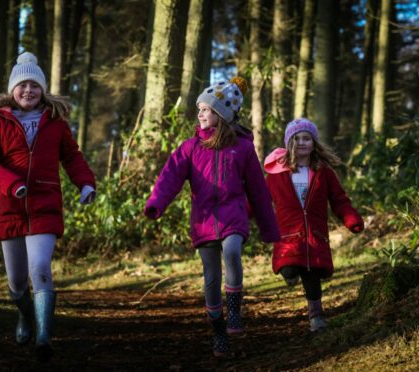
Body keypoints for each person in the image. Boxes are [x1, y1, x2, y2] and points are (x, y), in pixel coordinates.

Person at [144, 77, 280, 357]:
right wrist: (156, 203)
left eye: (206, 109)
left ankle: (234, 315)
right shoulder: (190, 148)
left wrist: (269, 229)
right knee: (210, 277)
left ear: (221, 114)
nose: (200, 114)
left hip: (233, 216)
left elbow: (258, 190)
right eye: (200, 109)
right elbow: (169, 177)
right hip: (203, 220)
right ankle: (218, 333)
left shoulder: (242, 148)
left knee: (231, 251)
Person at [0, 52, 96, 361]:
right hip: (10, 208)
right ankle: (24, 316)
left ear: (43, 90)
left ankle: (44, 337)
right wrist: (11, 184)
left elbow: (72, 157)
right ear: (12, 90)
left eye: (34, 85)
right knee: (16, 283)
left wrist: (85, 183)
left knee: (40, 268)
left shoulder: (55, 123)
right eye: (22, 85)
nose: (28, 90)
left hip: (45, 205)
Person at [263, 118, 364, 332]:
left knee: (311, 274)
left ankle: (316, 317)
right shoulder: (277, 174)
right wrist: (240, 216)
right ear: (289, 143)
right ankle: (290, 276)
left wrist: (351, 219)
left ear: (314, 143)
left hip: (314, 235)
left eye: (306, 138)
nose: (301, 143)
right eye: (297, 138)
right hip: (288, 235)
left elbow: (339, 199)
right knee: (289, 270)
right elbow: (259, 200)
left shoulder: (324, 172)